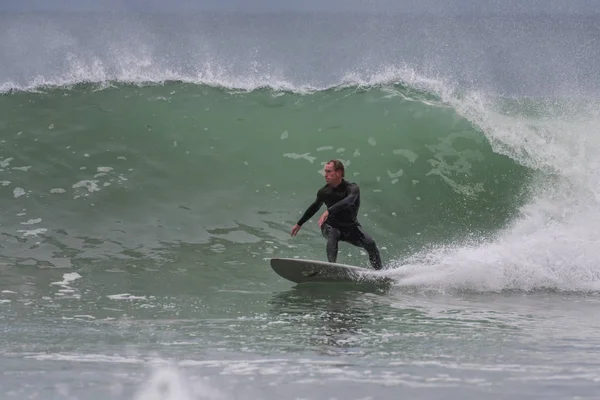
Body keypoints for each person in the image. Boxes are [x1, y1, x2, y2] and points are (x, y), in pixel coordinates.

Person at [290, 159, 383, 270]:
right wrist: (299, 224)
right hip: (330, 226)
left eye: (329, 171)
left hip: (351, 227)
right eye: (325, 171)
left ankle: (380, 273)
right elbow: (314, 207)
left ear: (338, 172)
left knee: (370, 244)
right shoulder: (324, 192)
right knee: (333, 233)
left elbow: (349, 200)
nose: (325, 175)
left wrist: (329, 210)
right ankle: (332, 268)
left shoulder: (352, 189)